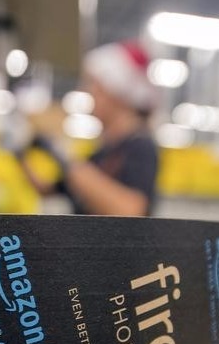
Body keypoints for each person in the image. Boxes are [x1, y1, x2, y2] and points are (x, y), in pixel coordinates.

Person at [22, 41, 159, 216]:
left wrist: (63, 156)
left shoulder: (139, 147)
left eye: (95, 86)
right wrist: (20, 153)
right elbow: (45, 189)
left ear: (116, 91)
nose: (89, 92)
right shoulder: (102, 151)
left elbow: (130, 210)